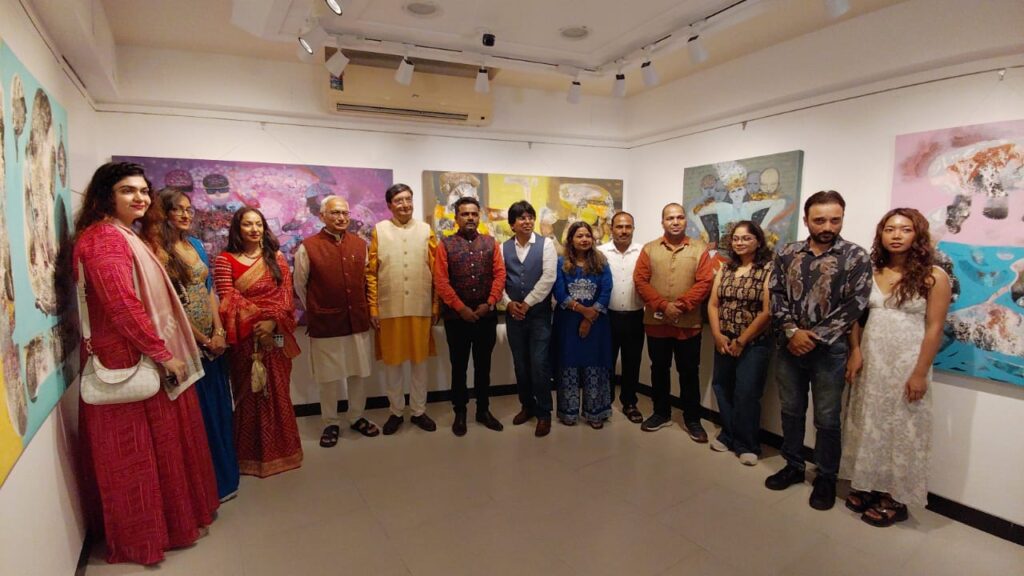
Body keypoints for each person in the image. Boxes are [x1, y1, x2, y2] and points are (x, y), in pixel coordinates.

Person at [73, 162, 217, 565]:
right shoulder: (104, 239)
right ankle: (143, 539)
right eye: (127, 190)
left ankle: (170, 526)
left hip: (140, 355)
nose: (139, 197)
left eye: (143, 190)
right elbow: (121, 305)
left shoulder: (122, 234)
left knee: (160, 449)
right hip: (126, 363)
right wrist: (162, 353)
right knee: (136, 458)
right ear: (105, 195)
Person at [841, 208, 951, 526]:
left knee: (903, 427)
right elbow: (855, 317)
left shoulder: (934, 276)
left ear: (918, 235)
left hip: (907, 363)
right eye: (890, 229)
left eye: (905, 229)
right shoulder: (871, 271)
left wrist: (919, 373)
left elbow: (935, 328)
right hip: (872, 360)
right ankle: (869, 484)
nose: (897, 235)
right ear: (881, 235)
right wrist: (855, 350)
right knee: (870, 421)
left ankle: (895, 496)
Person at [765, 190, 871, 511]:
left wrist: (813, 337)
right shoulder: (787, 252)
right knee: (791, 410)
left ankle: (826, 476)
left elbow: (856, 304)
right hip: (788, 347)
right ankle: (793, 465)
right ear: (806, 220)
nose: (827, 226)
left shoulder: (855, 256)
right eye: (820, 220)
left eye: (835, 220)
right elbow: (776, 294)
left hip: (830, 352)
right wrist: (792, 332)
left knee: (827, 418)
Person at [141, 187, 240, 500]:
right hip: (185, 343)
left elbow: (209, 290)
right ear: (163, 213)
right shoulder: (156, 251)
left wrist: (219, 331)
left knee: (220, 409)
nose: (185, 214)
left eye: (189, 209)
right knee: (199, 416)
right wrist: (203, 340)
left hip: (213, 340)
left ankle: (227, 478)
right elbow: (170, 305)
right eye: (177, 209)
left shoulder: (194, 244)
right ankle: (207, 486)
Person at [214, 207, 303, 477]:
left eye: (258, 224)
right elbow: (227, 300)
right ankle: (248, 457)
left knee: (277, 391)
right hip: (245, 339)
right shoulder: (224, 260)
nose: (254, 229)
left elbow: (286, 296)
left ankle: (284, 451)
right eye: (247, 224)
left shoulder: (276, 257)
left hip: (275, 336)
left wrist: (272, 323)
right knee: (250, 394)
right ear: (237, 228)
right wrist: (256, 323)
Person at [294, 196, 379, 448]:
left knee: (358, 373)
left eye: (345, 213)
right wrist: (318, 308)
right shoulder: (308, 247)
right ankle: (330, 422)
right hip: (326, 323)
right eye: (335, 213)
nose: (341, 217)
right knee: (328, 377)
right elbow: (300, 285)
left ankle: (356, 416)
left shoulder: (360, 244)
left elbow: (366, 280)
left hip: (357, 320)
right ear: (322, 216)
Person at [634, 203, 715, 441]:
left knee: (689, 372)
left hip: (688, 324)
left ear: (685, 221)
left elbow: (705, 282)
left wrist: (679, 306)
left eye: (680, 217)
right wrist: (662, 305)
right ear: (663, 222)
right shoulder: (649, 249)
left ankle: (692, 419)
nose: (675, 222)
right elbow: (640, 281)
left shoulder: (699, 249)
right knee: (659, 370)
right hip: (656, 323)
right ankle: (661, 413)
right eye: (670, 218)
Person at [366, 183, 439, 435]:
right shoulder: (379, 230)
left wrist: (435, 304)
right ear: (389, 205)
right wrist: (373, 307)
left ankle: (418, 411)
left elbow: (436, 271)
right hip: (389, 307)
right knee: (393, 364)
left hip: (420, 305)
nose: (405, 204)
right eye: (399, 200)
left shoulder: (426, 230)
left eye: (408, 199)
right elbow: (371, 273)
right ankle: (396, 411)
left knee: (420, 363)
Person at [433, 196, 506, 436]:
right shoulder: (445, 245)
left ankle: (483, 410)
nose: (470, 218)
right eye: (465, 214)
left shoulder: (490, 243)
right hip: (457, 320)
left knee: (483, 367)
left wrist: (490, 302)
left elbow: (500, 275)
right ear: (456, 218)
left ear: (479, 216)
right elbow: (441, 281)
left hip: (486, 317)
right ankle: (460, 412)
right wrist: (460, 308)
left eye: (474, 214)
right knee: (459, 367)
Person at [707, 220, 773, 466]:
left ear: (758, 240)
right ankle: (728, 434)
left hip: (753, 342)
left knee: (747, 392)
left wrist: (743, 340)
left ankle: (747, 444)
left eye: (746, 238)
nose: (740, 242)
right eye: (735, 238)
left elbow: (767, 311)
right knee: (722, 386)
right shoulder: (726, 268)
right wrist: (717, 334)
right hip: (724, 339)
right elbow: (713, 304)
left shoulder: (768, 269)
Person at [502, 200, 557, 437]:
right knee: (521, 365)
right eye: (522, 218)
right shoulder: (502, 247)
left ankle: (544, 413)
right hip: (514, 315)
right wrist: (508, 303)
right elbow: (499, 279)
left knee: (539, 364)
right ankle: (527, 406)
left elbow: (549, 277)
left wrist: (527, 303)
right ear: (512, 224)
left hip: (538, 315)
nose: (527, 221)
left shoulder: (546, 245)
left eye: (530, 217)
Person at [553, 221, 613, 428]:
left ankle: (595, 412)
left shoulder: (601, 262)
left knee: (594, 365)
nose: (584, 239)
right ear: (571, 240)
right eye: (579, 236)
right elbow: (559, 292)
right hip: (567, 323)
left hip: (597, 324)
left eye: (587, 235)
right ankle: (568, 412)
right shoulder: (561, 263)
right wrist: (582, 310)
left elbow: (606, 290)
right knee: (568, 365)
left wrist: (589, 317)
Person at [597, 211, 646, 424]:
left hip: (635, 316)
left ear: (633, 229)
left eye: (628, 227)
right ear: (611, 229)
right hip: (606, 317)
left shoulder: (643, 251)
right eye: (619, 226)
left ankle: (630, 403)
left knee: (632, 362)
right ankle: (603, 402)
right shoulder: (600, 252)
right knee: (605, 361)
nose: (624, 231)